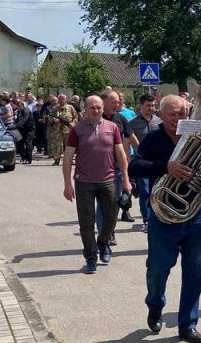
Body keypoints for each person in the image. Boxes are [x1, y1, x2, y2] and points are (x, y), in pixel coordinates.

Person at [130, 95, 201, 343]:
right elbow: (135, 167)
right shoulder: (153, 138)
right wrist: (166, 167)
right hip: (163, 215)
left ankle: (188, 324)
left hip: (195, 213)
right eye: (172, 114)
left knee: (197, 272)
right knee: (158, 269)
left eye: (181, 113)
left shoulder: (198, 138)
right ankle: (155, 305)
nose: (177, 118)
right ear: (161, 115)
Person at [62, 95, 132, 274]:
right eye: (92, 107)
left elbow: (121, 155)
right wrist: (67, 184)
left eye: (98, 107)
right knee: (86, 222)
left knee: (111, 218)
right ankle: (91, 258)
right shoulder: (77, 130)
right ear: (85, 109)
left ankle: (103, 242)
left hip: (108, 180)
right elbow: (68, 158)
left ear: (103, 108)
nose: (95, 110)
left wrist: (126, 179)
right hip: (84, 182)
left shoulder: (112, 127)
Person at [99, 90, 139, 229]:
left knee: (115, 201)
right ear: (103, 102)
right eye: (113, 102)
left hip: (117, 167)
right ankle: (105, 233)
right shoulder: (95, 118)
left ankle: (109, 231)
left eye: (117, 102)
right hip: (99, 168)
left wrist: (143, 155)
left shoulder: (120, 118)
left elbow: (132, 138)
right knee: (103, 203)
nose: (116, 104)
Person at [130, 93, 162, 228]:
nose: (151, 108)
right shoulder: (133, 123)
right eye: (148, 106)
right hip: (142, 162)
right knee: (144, 191)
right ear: (141, 106)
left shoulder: (159, 122)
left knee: (158, 190)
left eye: (153, 105)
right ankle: (147, 220)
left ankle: (157, 217)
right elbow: (128, 142)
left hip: (158, 162)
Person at [47, 94, 77, 166]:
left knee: (69, 145)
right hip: (57, 130)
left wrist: (73, 123)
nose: (61, 100)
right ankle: (56, 160)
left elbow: (75, 116)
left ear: (66, 100)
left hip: (68, 129)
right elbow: (50, 117)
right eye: (60, 98)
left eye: (63, 98)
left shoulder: (70, 107)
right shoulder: (54, 108)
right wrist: (54, 120)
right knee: (57, 145)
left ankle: (70, 160)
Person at [10, 98, 35, 164]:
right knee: (19, 143)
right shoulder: (19, 112)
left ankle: (29, 159)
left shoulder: (26, 111)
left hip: (29, 130)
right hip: (22, 129)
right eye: (18, 107)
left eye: (20, 106)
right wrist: (14, 124)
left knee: (28, 143)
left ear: (23, 106)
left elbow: (23, 120)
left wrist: (15, 126)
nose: (19, 108)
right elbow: (17, 120)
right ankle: (23, 157)